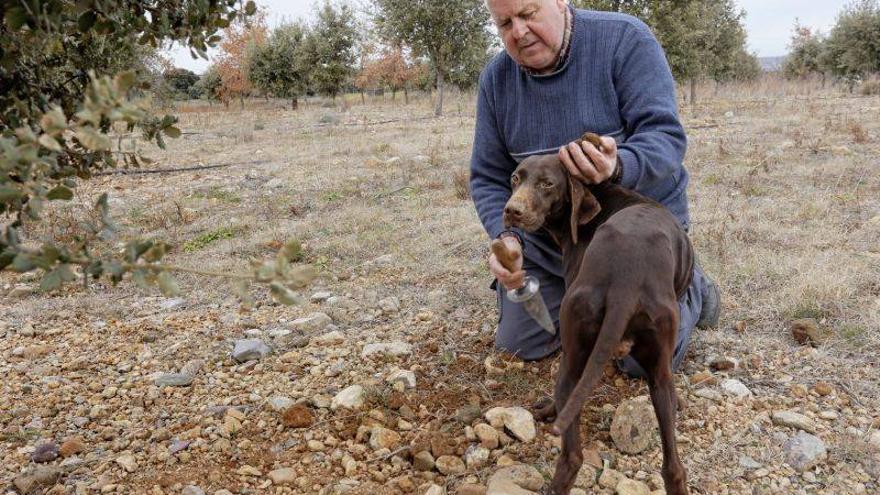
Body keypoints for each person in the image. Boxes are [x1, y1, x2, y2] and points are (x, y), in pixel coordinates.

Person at [469, 0, 721, 377]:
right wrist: (507, 237)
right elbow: (488, 177)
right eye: (504, 23)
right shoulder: (496, 80)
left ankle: (692, 287)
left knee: (639, 362)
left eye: (528, 14)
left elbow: (665, 138)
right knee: (524, 343)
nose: (518, 31)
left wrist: (618, 166)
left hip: (638, 245)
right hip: (553, 249)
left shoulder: (624, 40)